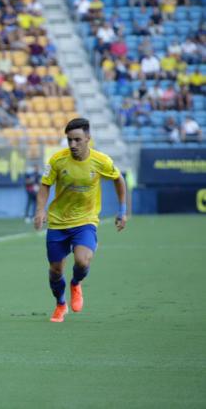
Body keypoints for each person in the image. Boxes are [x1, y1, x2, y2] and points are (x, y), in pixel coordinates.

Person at [34, 118, 127, 323]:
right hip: (58, 222)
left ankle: (76, 283)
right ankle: (60, 304)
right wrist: (41, 210)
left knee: (82, 260)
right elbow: (44, 185)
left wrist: (122, 210)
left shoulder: (101, 161)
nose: (73, 145)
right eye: (69, 140)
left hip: (85, 220)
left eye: (77, 140)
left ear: (88, 138)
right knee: (55, 270)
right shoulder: (57, 160)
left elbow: (119, 179)